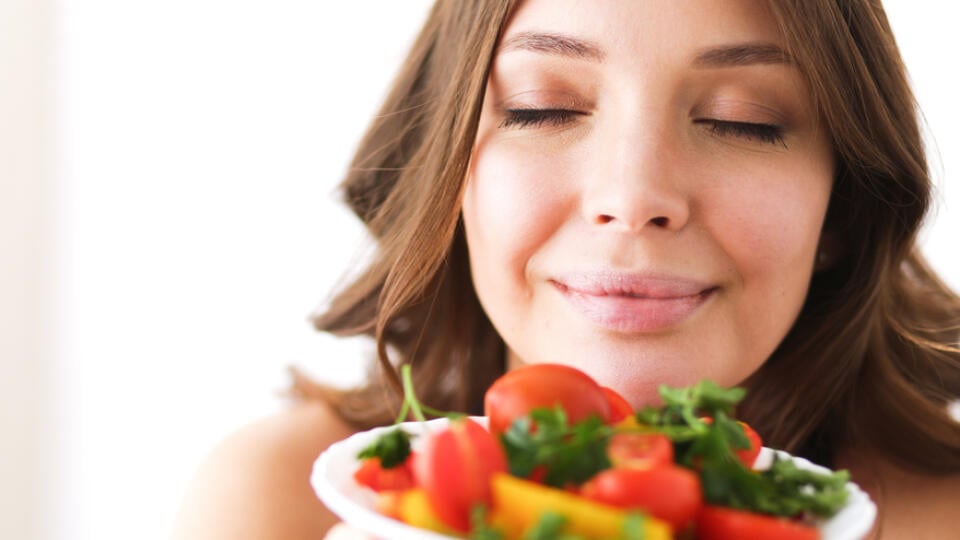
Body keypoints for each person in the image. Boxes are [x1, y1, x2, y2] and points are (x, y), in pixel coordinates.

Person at [172, 1, 960, 538]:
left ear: (845, 206)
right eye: (541, 108)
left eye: (740, 121)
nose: (633, 196)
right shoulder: (280, 502)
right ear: (444, 178)